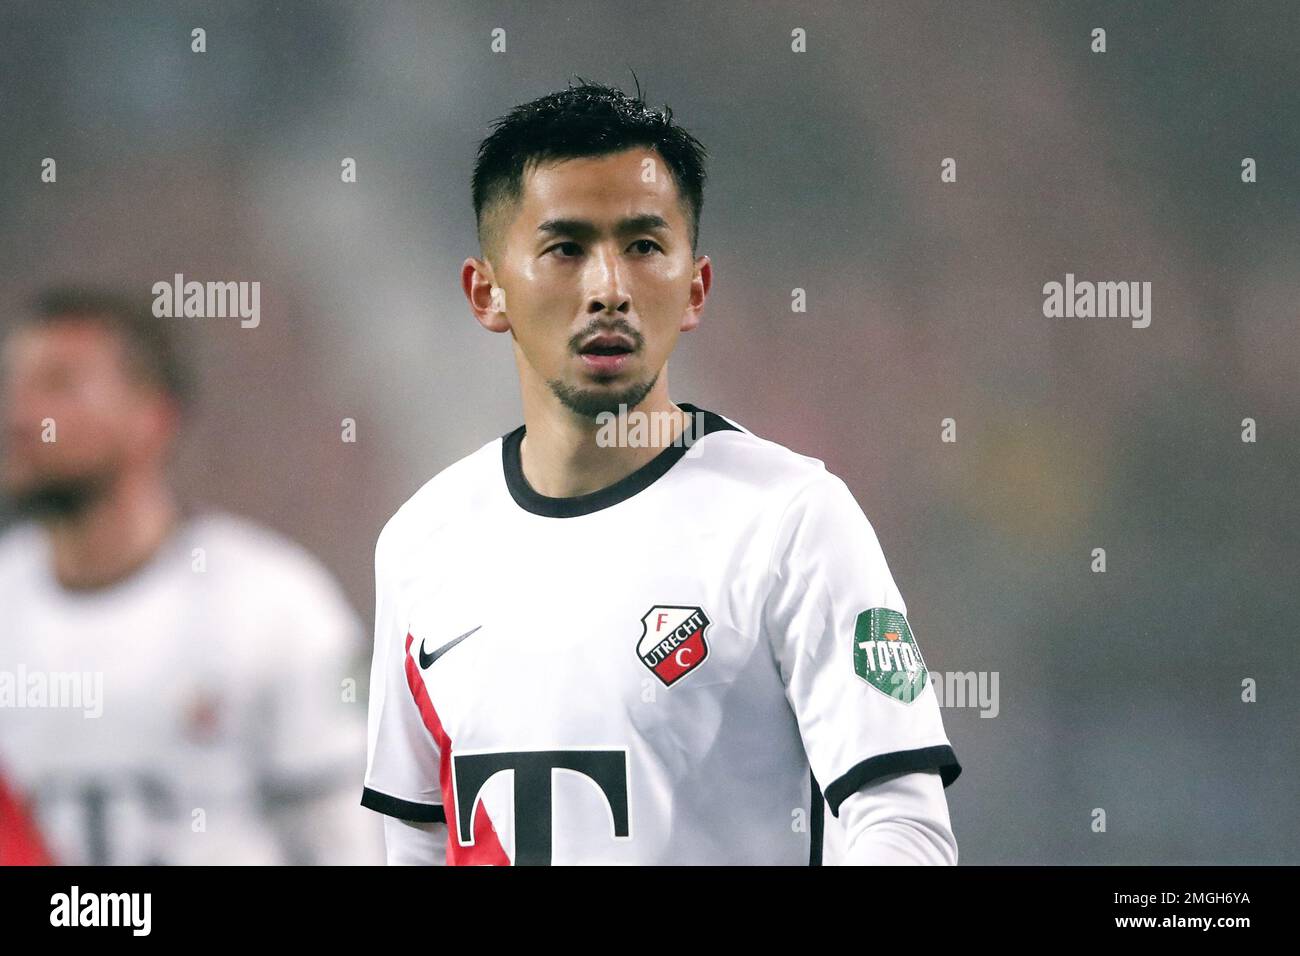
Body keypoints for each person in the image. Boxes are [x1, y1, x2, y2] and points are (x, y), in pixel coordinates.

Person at [362, 80, 961, 865]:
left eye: (643, 246)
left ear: (694, 289)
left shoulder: (791, 520)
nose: (608, 288)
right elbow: (417, 835)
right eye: (565, 248)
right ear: (488, 292)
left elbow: (904, 830)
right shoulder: (420, 544)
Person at [0, 287, 382, 864]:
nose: (22, 415)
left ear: (152, 417)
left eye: (60, 385)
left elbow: (352, 845)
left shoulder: (272, 605)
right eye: (15, 386)